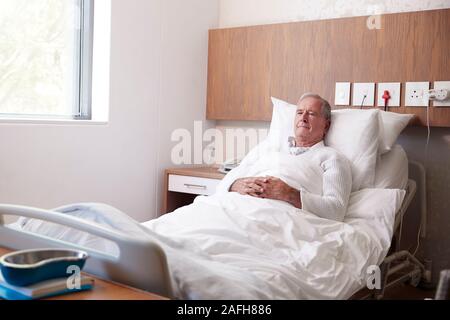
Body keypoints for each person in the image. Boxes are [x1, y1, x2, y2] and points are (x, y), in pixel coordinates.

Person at [227, 93, 352, 221]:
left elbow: (336, 210)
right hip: (235, 207)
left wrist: (289, 194)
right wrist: (235, 185)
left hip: (279, 217)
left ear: (326, 125)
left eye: (311, 114)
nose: (303, 118)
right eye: (299, 112)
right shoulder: (269, 149)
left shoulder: (332, 158)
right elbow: (225, 183)